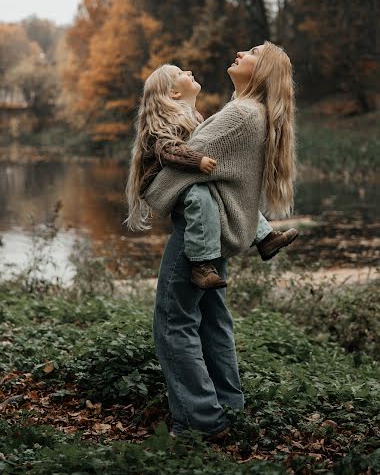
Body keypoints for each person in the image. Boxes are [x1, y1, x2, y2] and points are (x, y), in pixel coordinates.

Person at [142, 41, 297, 440]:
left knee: (173, 322)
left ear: (262, 71)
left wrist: (153, 194)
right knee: (212, 322)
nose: (241, 52)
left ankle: (200, 423)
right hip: (218, 231)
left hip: (200, 235)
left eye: (252, 52)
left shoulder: (239, 116)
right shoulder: (254, 113)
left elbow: (184, 165)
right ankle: (229, 409)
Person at [125, 63, 297, 290]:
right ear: (174, 93)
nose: (188, 71)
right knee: (200, 196)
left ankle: (265, 238)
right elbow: (167, 150)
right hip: (162, 182)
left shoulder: (193, 116)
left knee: (227, 193)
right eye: (180, 73)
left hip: (183, 176)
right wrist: (197, 160)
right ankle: (201, 264)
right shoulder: (161, 122)